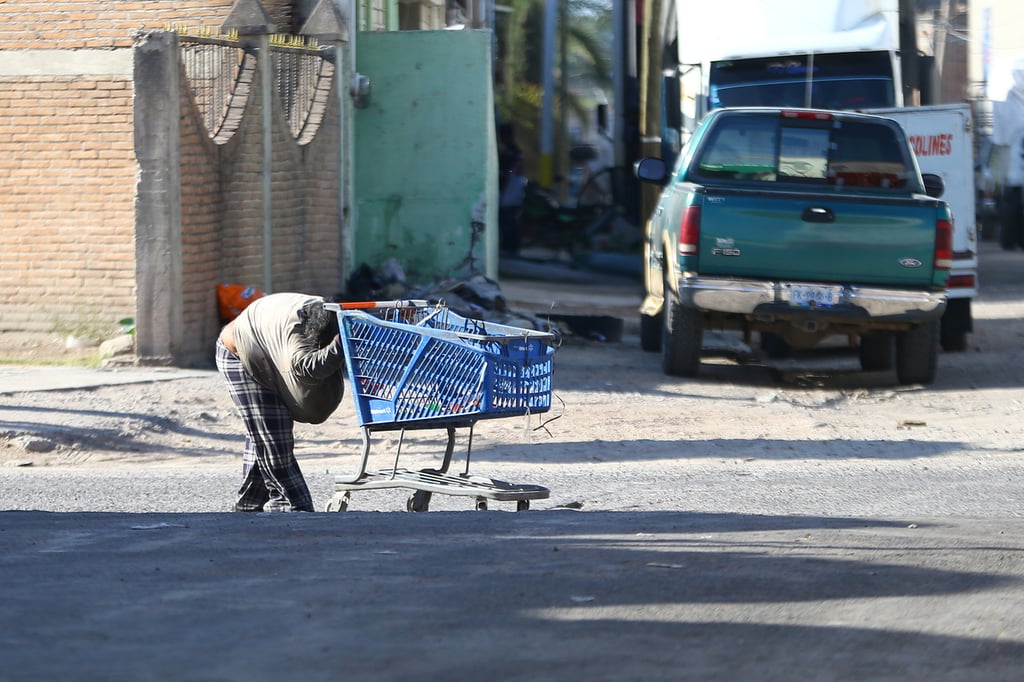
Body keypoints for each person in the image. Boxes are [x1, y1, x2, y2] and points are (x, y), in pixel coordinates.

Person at [216, 292, 345, 512]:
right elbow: (308, 367)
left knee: (269, 431)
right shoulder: (299, 335)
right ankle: (290, 503)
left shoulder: (326, 312)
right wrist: (342, 342)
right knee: (273, 435)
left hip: (264, 346)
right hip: (238, 355)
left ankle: (249, 503)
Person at [498, 122, 526, 255]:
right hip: (515, 190)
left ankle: (510, 247)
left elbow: (506, 173)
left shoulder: (510, 153)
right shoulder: (515, 151)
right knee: (511, 221)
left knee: (508, 221)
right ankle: (512, 246)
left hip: (510, 191)